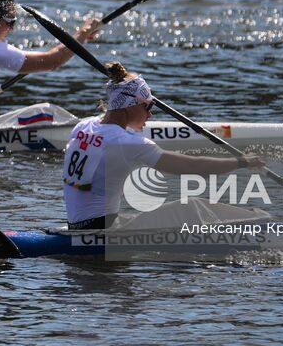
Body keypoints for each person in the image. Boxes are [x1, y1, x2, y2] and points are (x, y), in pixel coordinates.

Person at [62, 62, 265, 230]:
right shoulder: (128, 144)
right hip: (101, 229)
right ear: (130, 105)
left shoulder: (84, 126)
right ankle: (258, 227)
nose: (150, 115)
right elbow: (193, 168)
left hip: (79, 225)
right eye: (148, 106)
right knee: (191, 206)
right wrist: (241, 162)